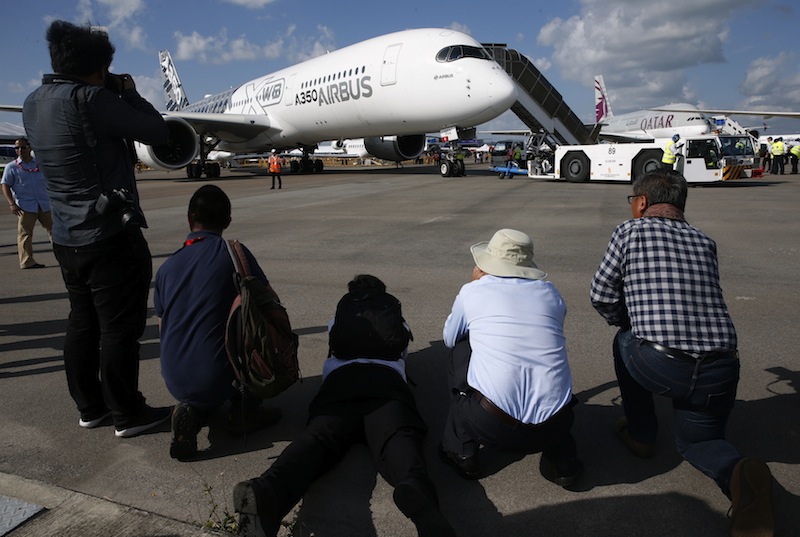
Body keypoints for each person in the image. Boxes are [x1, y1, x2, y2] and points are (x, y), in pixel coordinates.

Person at [590, 170, 774, 537]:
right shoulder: (704, 241)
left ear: (641, 203)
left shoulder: (629, 231)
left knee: (623, 340)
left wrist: (629, 322)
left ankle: (642, 433)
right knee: (699, 442)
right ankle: (736, 472)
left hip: (660, 363)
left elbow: (602, 294)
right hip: (721, 366)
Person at [22, 20, 171, 437]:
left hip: (66, 240)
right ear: (99, 67)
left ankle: (91, 408)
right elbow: (157, 131)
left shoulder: (33, 102)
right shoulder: (92, 99)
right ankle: (128, 413)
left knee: (82, 323)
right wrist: (130, 93)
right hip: (108, 237)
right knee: (120, 329)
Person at [233, 275, 456, 537]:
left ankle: (267, 490)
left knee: (316, 440)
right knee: (398, 440)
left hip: (341, 386)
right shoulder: (394, 315)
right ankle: (418, 494)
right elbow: (401, 351)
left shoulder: (341, 316)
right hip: (386, 386)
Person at [440, 229, 583, 487]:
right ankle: (564, 461)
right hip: (556, 424)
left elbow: (449, 337)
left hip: (493, 425)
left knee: (460, 345)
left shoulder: (474, 291)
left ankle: (462, 451)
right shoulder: (551, 293)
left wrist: (474, 287)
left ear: (486, 263)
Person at [154, 185, 282, 460]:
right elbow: (271, 300)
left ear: (190, 218)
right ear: (228, 222)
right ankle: (245, 410)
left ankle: (193, 411)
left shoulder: (166, 268)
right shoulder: (233, 253)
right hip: (218, 373)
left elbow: (162, 327)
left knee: (205, 368)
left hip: (174, 377)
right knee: (251, 325)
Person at [1, 137, 52, 269]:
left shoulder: (39, 164)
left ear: (29, 148)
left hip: (44, 204)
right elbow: (5, 186)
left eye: (23, 147)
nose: (20, 150)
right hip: (25, 206)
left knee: (55, 232)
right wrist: (12, 204)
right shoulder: (11, 167)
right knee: (25, 235)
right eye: (17, 148)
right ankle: (27, 261)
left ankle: (63, 257)